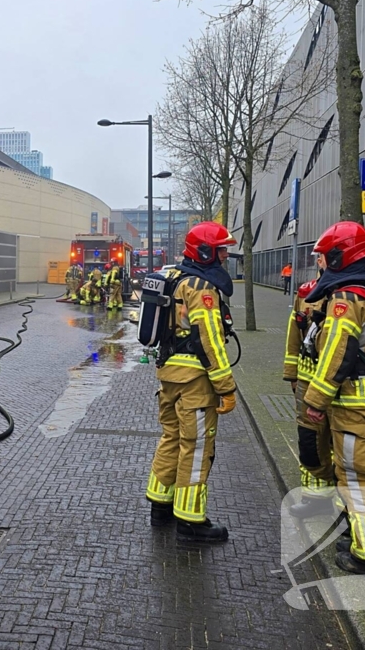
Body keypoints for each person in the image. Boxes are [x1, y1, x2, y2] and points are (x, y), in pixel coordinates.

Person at [303, 221, 365, 577]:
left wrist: (316, 400)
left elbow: (336, 352)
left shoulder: (347, 297)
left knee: (359, 481)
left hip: (358, 407)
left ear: (339, 256)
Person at [145, 221, 237, 543]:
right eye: (221, 250)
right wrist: (226, 387)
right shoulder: (201, 287)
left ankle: (160, 506)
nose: (225, 256)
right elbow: (210, 341)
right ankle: (190, 521)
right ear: (205, 251)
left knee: (171, 438)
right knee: (196, 447)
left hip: (169, 374)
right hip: (195, 380)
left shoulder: (174, 278)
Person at [283, 253, 336, 518]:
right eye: (321, 257)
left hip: (342, 385)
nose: (322, 261)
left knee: (342, 445)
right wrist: (292, 374)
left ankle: (346, 506)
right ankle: (316, 498)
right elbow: (294, 334)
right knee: (310, 441)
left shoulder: (355, 294)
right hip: (307, 380)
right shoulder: (307, 292)